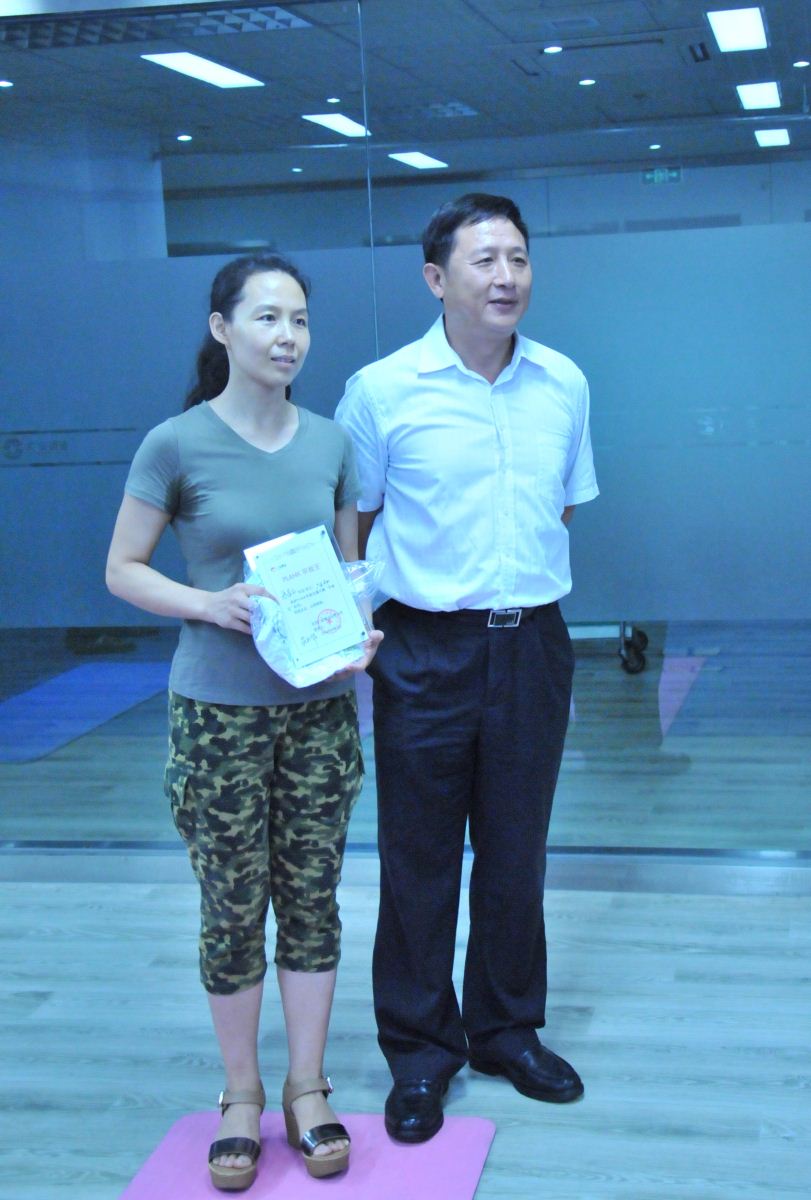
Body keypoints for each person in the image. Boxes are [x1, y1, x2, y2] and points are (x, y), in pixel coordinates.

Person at [106, 253, 381, 1191]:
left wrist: (357, 632)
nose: (287, 336)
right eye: (266, 317)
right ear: (222, 328)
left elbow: (345, 572)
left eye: (298, 319)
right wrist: (206, 603)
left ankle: (307, 1086)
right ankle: (241, 1095)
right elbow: (123, 569)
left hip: (318, 713)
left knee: (312, 900)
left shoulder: (330, 442)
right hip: (217, 714)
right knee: (231, 907)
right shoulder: (174, 443)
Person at [335, 193, 598, 1143]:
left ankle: (505, 1031)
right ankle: (419, 1053)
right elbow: (354, 521)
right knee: (418, 858)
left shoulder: (562, 382)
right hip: (422, 646)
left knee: (517, 852)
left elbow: (561, 506)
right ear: (435, 278)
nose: (506, 277)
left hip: (531, 643)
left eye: (518, 258)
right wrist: (361, 629)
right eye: (484, 260)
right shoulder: (382, 390)